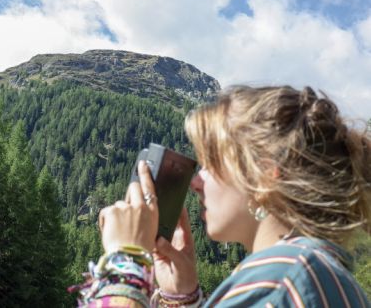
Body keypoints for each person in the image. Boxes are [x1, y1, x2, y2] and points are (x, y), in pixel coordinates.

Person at [74, 85, 371, 307]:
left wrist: (125, 263)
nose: (195, 183)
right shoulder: (319, 275)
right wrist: (182, 298)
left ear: (263, 176)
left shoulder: (277, 282)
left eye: (209, 164)